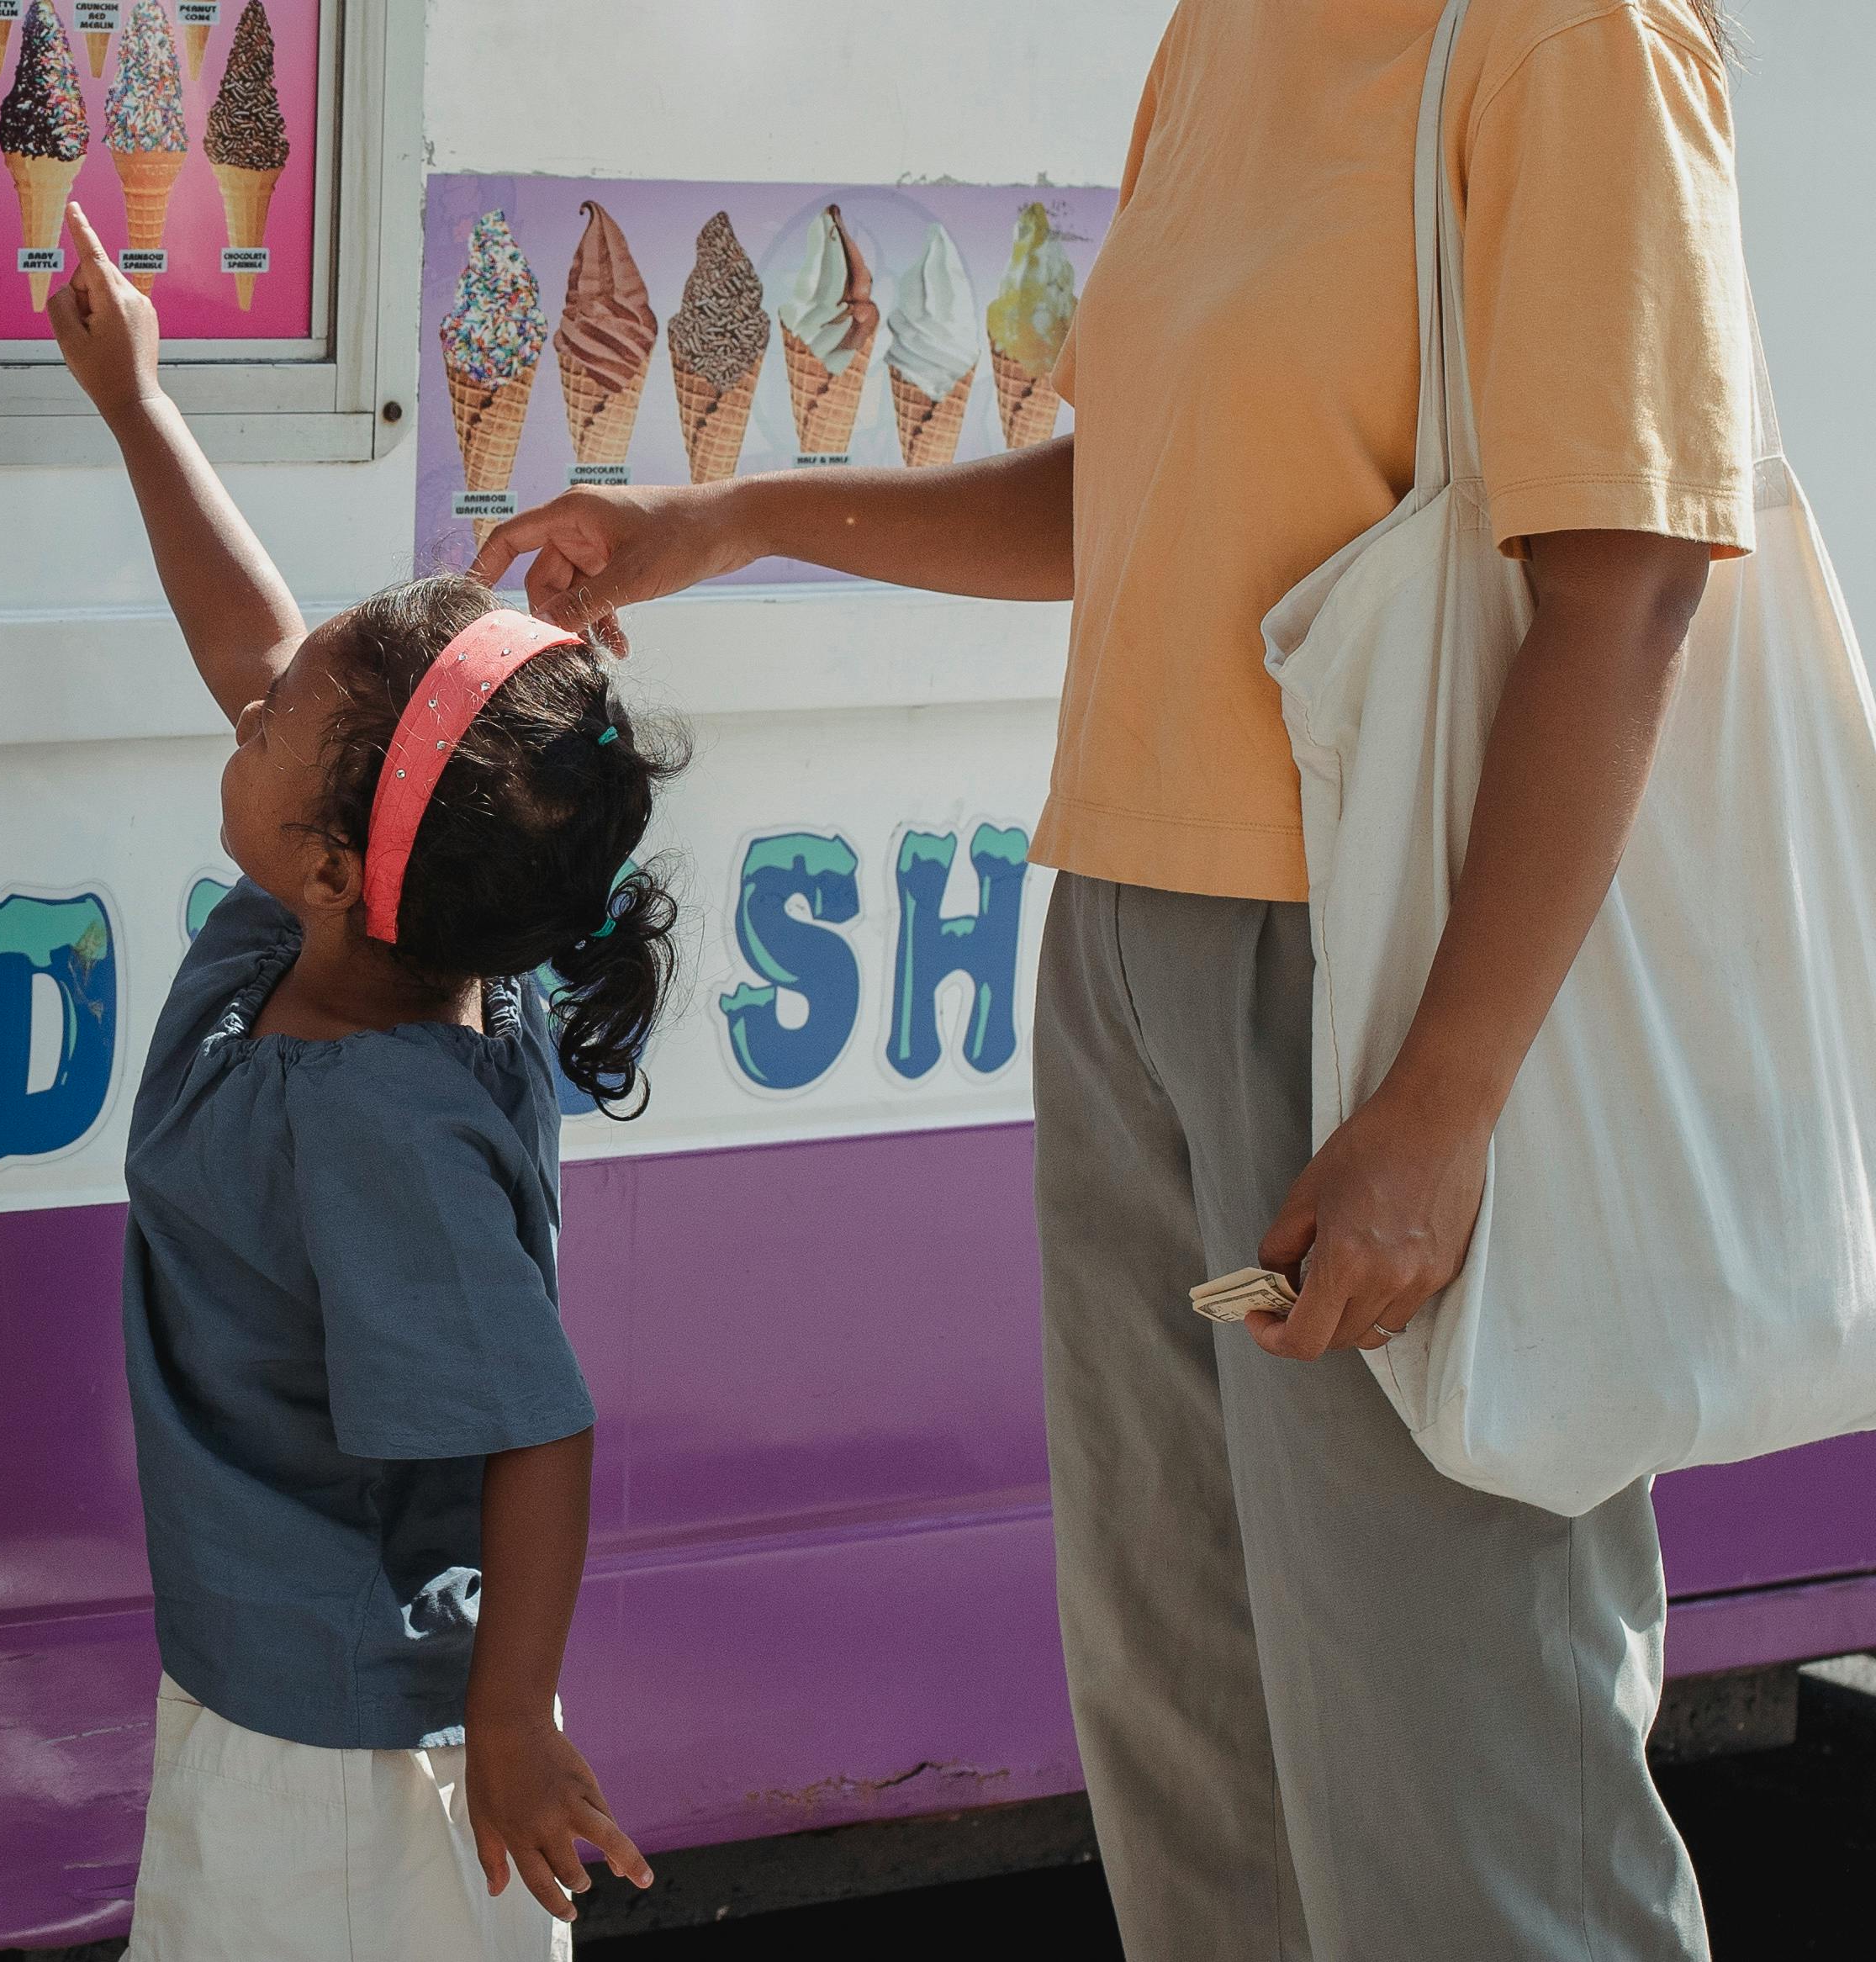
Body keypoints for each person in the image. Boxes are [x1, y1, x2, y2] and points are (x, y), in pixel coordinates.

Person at [472, 3, 1752, 1956]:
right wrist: (718, 521)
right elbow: (1129, 488)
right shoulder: (1227, 32)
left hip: (1389, 968)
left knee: (1465, 1785)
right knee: (1192, 1758)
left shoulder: (1567, 35)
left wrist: (1443, 1102)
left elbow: (1632, 577)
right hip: (1127, 937)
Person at [49, 202, 673, 1960]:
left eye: (274, 734)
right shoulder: (322, 943)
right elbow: (261, 651)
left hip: (352, 1756)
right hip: (271, 1692)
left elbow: (536, 1423)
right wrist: (141, 411)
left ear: (337, 863)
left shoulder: (381, 1116)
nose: (246, 712)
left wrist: (510, 1723)